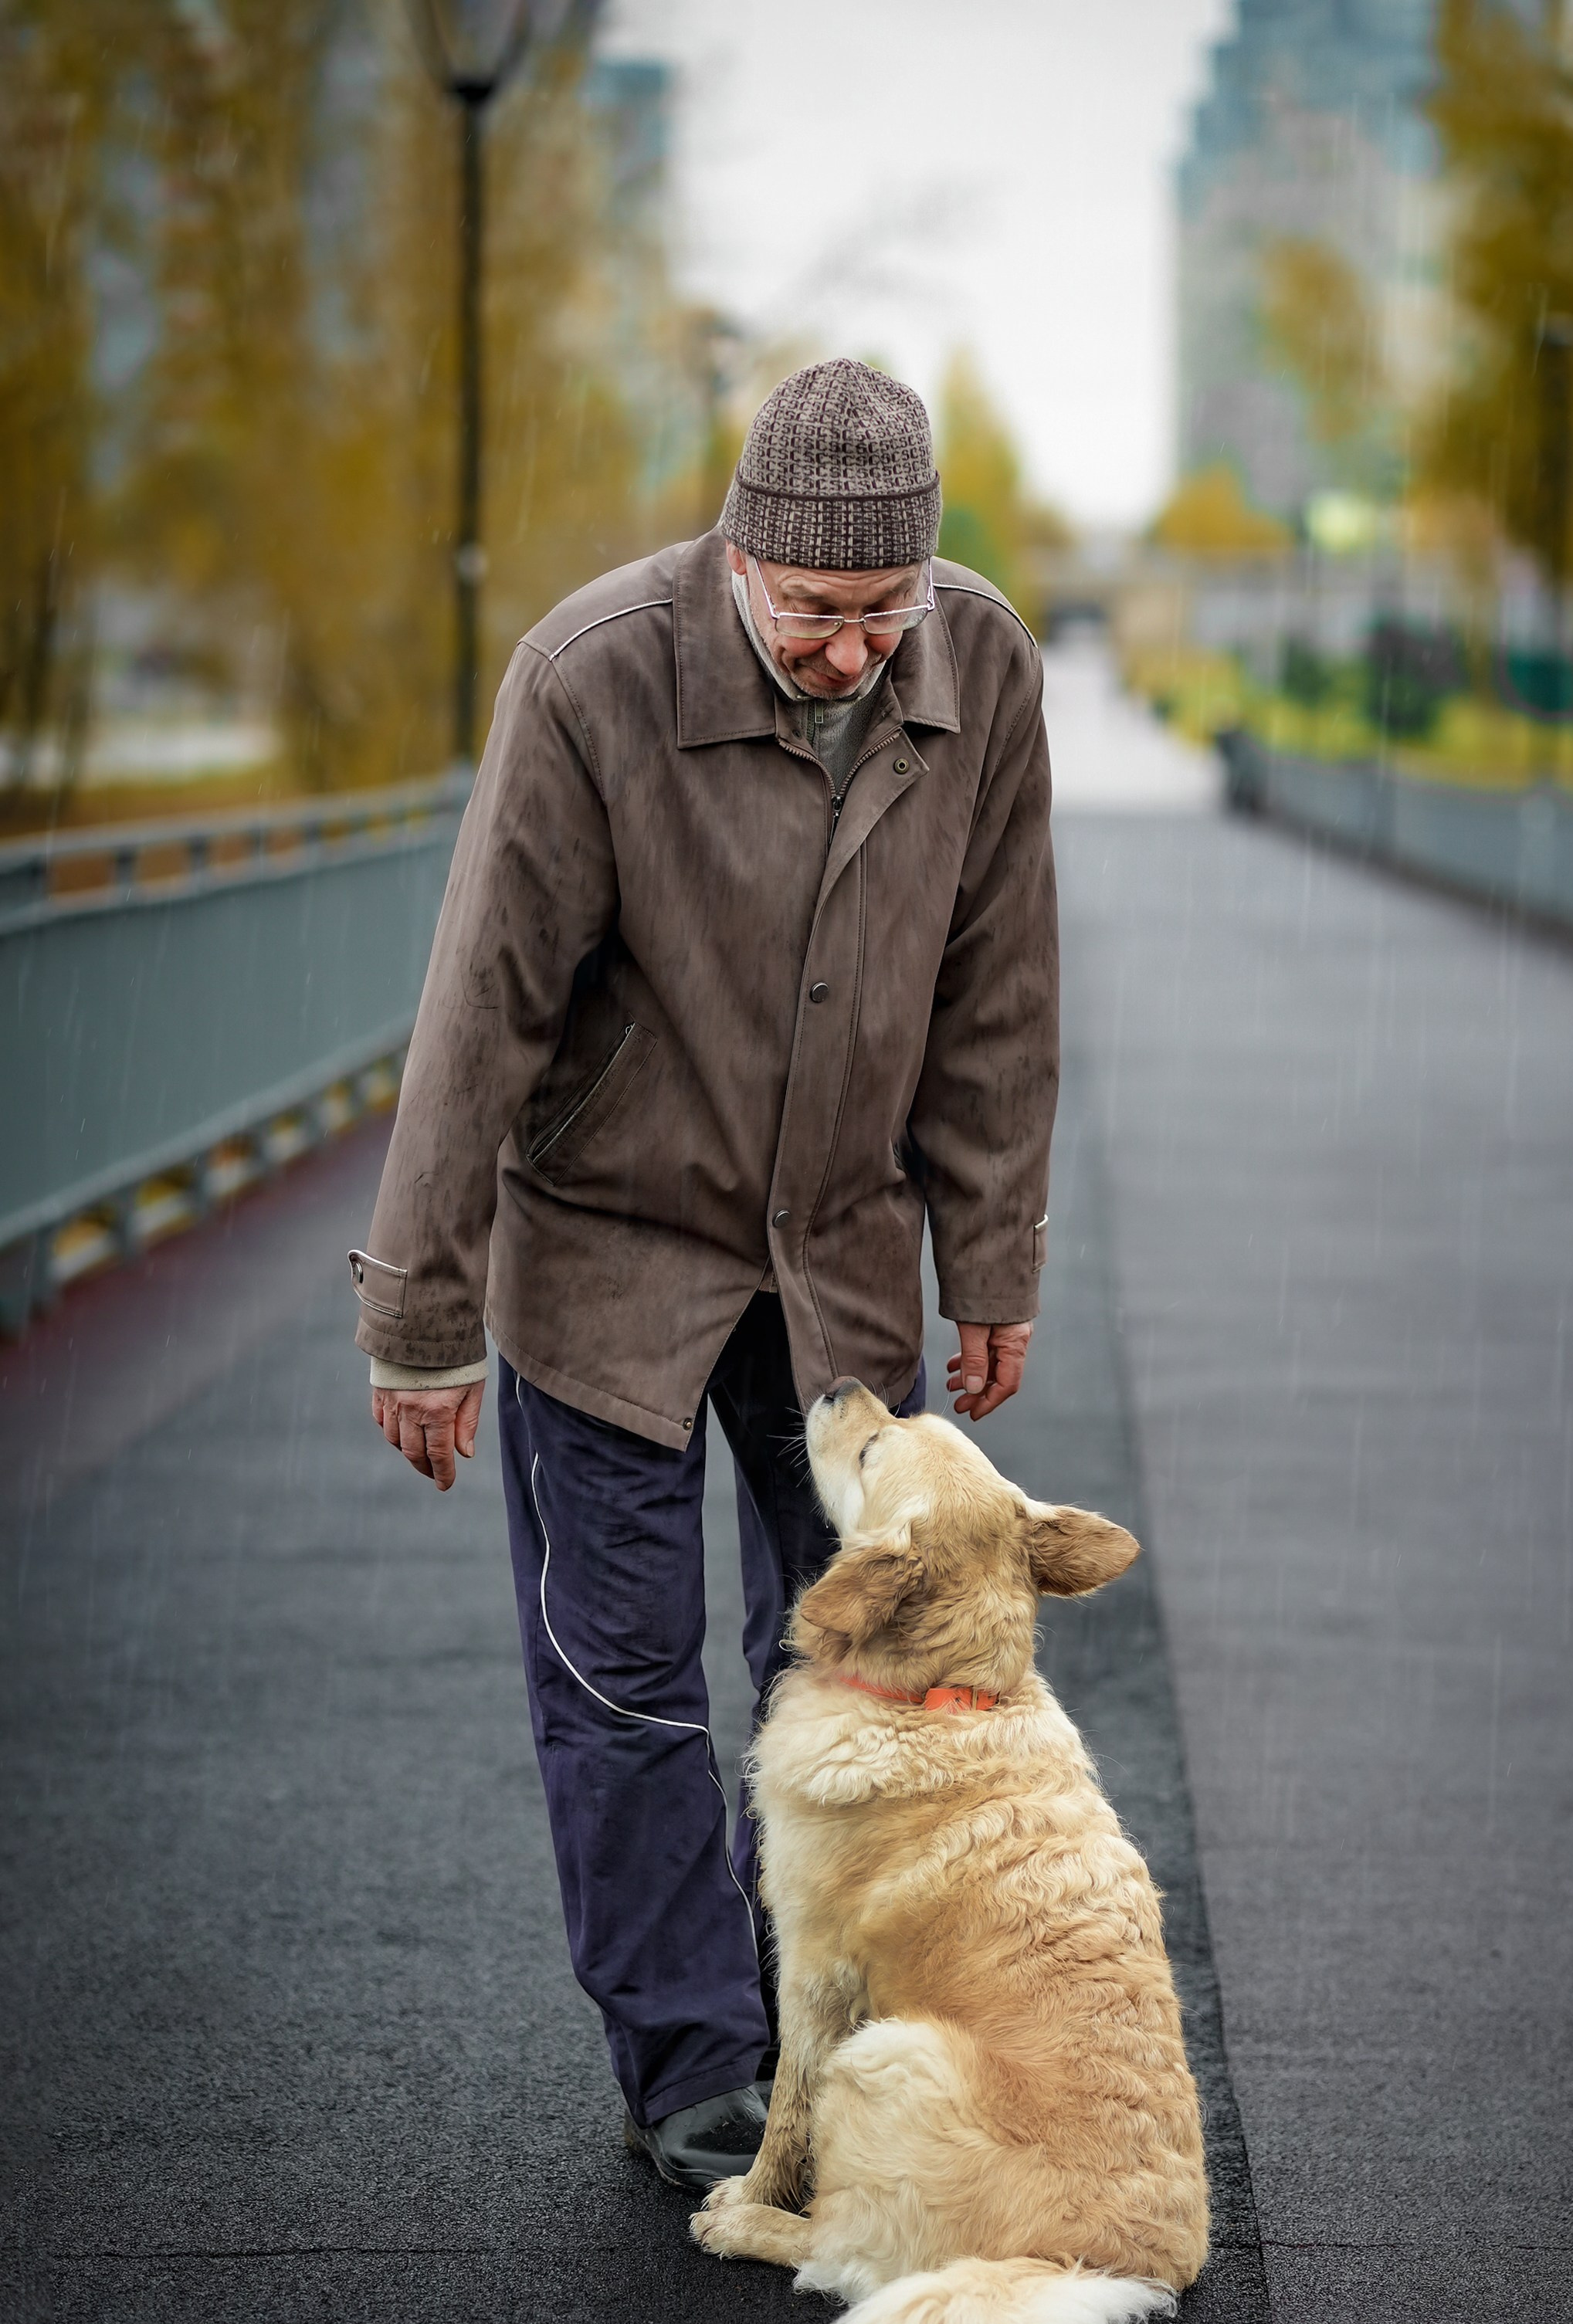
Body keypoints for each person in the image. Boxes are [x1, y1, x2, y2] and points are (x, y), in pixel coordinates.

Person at [351, 359, 1057, 2190]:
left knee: (856, 1669)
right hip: (611, 1257)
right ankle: (689, 2062)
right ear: (738, 554)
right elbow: (480, 1005)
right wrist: (421, 1319)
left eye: (884, 611)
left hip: (839, 1259)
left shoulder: (981, 667)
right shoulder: (590, 676)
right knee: (622, 1676)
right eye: (812, 609)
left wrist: (988, 1257)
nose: (851, 650)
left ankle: (820, 2023)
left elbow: (996, 988)